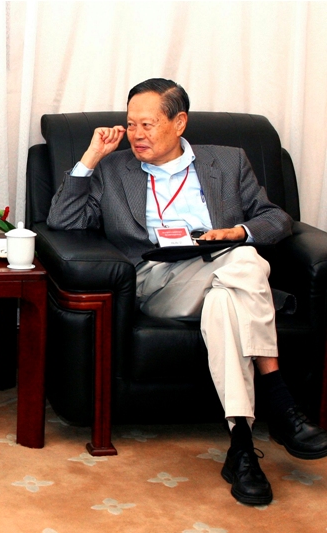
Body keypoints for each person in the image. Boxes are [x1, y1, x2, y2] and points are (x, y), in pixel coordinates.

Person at [47, 78, 327, 505]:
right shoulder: (113, 168)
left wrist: (237, 232)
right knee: (247, 263)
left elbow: (275, 218)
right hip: (156, 281)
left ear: (179, 123)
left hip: (221, 274)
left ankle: (241, 446)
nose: (136, 134)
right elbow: (63, 221)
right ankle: (278, 396)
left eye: (147, 124)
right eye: (131, 124)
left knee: (226, 300)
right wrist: (91, 157)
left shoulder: (228, 162)